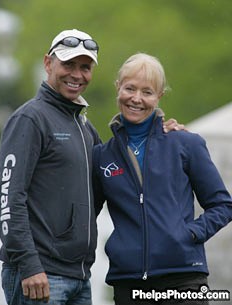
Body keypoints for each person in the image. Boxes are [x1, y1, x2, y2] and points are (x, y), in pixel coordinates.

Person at [0, 30, 182, 305]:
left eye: (85, 67)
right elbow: (9, 200)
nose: (77, 74)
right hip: (39, 275)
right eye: (68, 64)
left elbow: (116, 179)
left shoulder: (85, 128)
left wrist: (158, 135)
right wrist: (30, 265)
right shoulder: (30, 119)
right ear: (48, 63)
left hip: (79, 277)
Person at [92, 53, 232, 305]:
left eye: (147, 92)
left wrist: (188, 234)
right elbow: (85, 214)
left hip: (183, 280)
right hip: (129, 284)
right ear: (118, 88)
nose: (136, 98)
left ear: (159, 97)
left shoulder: (186, 144)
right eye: (130, 88)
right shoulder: (102, 156)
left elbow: (223, 205)